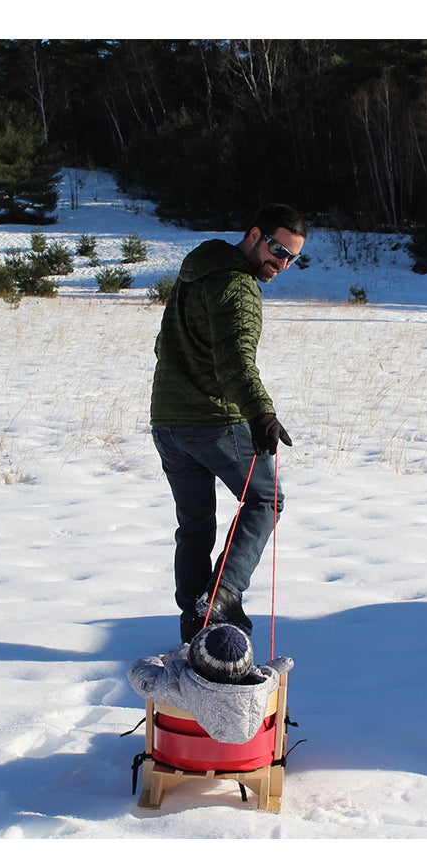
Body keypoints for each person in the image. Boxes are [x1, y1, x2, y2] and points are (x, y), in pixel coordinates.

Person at [150, 203, 309, 644]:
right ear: (255, 235)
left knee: (196, 524)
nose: (281, 263)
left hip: (167, 422)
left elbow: (165, 344)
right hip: (213, 422)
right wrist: (261, 413)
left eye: (291, 258)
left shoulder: (196, 270)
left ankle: (193, 626)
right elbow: (236, 359)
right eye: (277, 249)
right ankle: (221, 598)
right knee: (266, 499)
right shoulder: (238, 287)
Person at [127, 623, 294, 744]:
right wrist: (272, 670)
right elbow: (269, 678)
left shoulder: (174, 684)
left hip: (182, 757)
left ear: (195, 659)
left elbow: (140, 674)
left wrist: (170, 659)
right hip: (250, 761)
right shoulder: (260, 689)